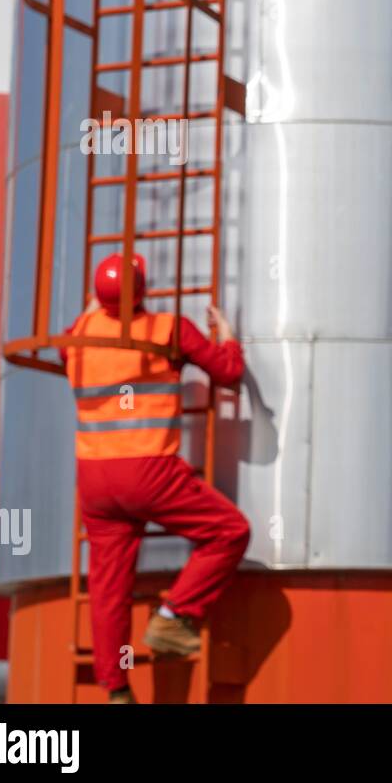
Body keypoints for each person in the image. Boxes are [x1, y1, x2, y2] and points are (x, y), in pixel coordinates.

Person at [61, 252, 251, 704]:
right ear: (143, 291)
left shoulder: (75, 338)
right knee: (230, 531)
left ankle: (116, 688)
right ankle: (174, 614)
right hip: (148, 472)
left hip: (94, 480)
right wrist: (226, 338)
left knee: (109, 588)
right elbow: (229, 373)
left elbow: (81, 327)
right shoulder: (168, 329)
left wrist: (96, 308)